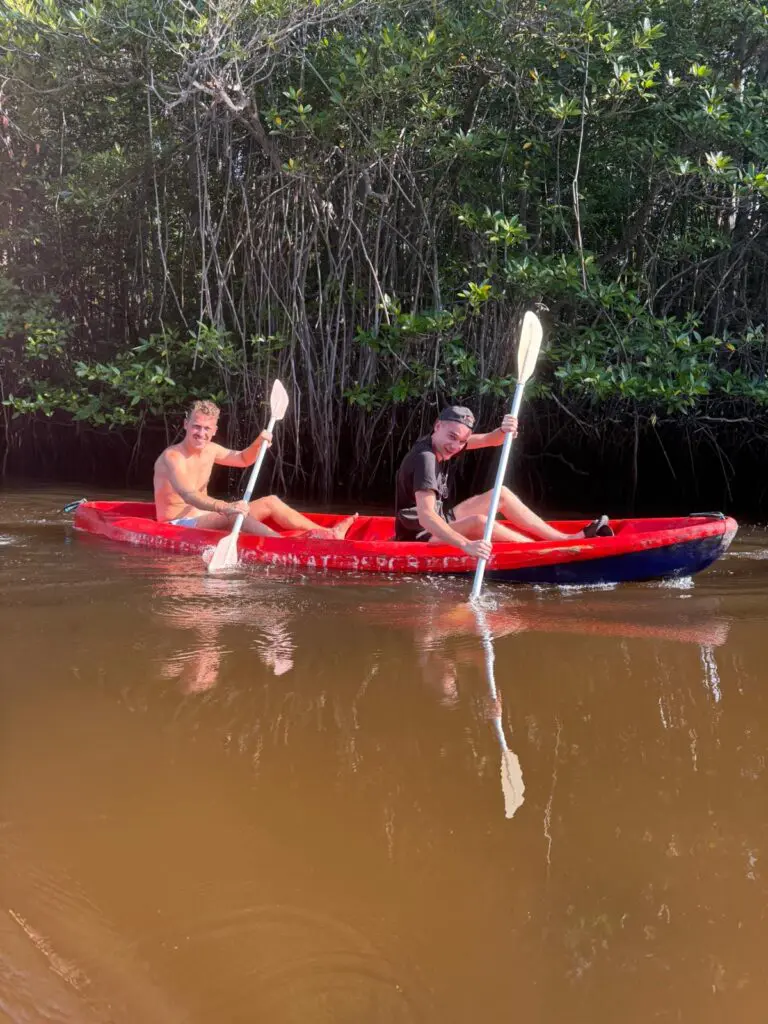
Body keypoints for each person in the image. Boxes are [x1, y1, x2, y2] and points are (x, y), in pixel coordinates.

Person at [394, 405, 613, 559]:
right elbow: (426, 516)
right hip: (421, 536)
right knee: (479, 522)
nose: (456, 446)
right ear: (438, 425)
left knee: (502, 494)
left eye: (462, 441)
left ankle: (564, 539)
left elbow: (491, 439)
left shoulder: (443, 443)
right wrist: (466, 545)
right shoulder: (426, 460)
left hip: (440, 520)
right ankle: (544, 552)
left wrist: (506, 429)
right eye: (452, 437)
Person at [153, 399, 356, 540]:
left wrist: (259, 442)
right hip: (178, 524)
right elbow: (189, 495)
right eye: (197, 426)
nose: (201, 433)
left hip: (206, 518)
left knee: (270, 502)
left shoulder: (211, 449)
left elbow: (242, 458)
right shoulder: (172, 456)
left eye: (207, 429)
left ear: (214, 431)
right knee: (233, 515)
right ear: (186, 425)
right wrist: (226, 507)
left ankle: (329, 534)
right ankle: (282, 546)